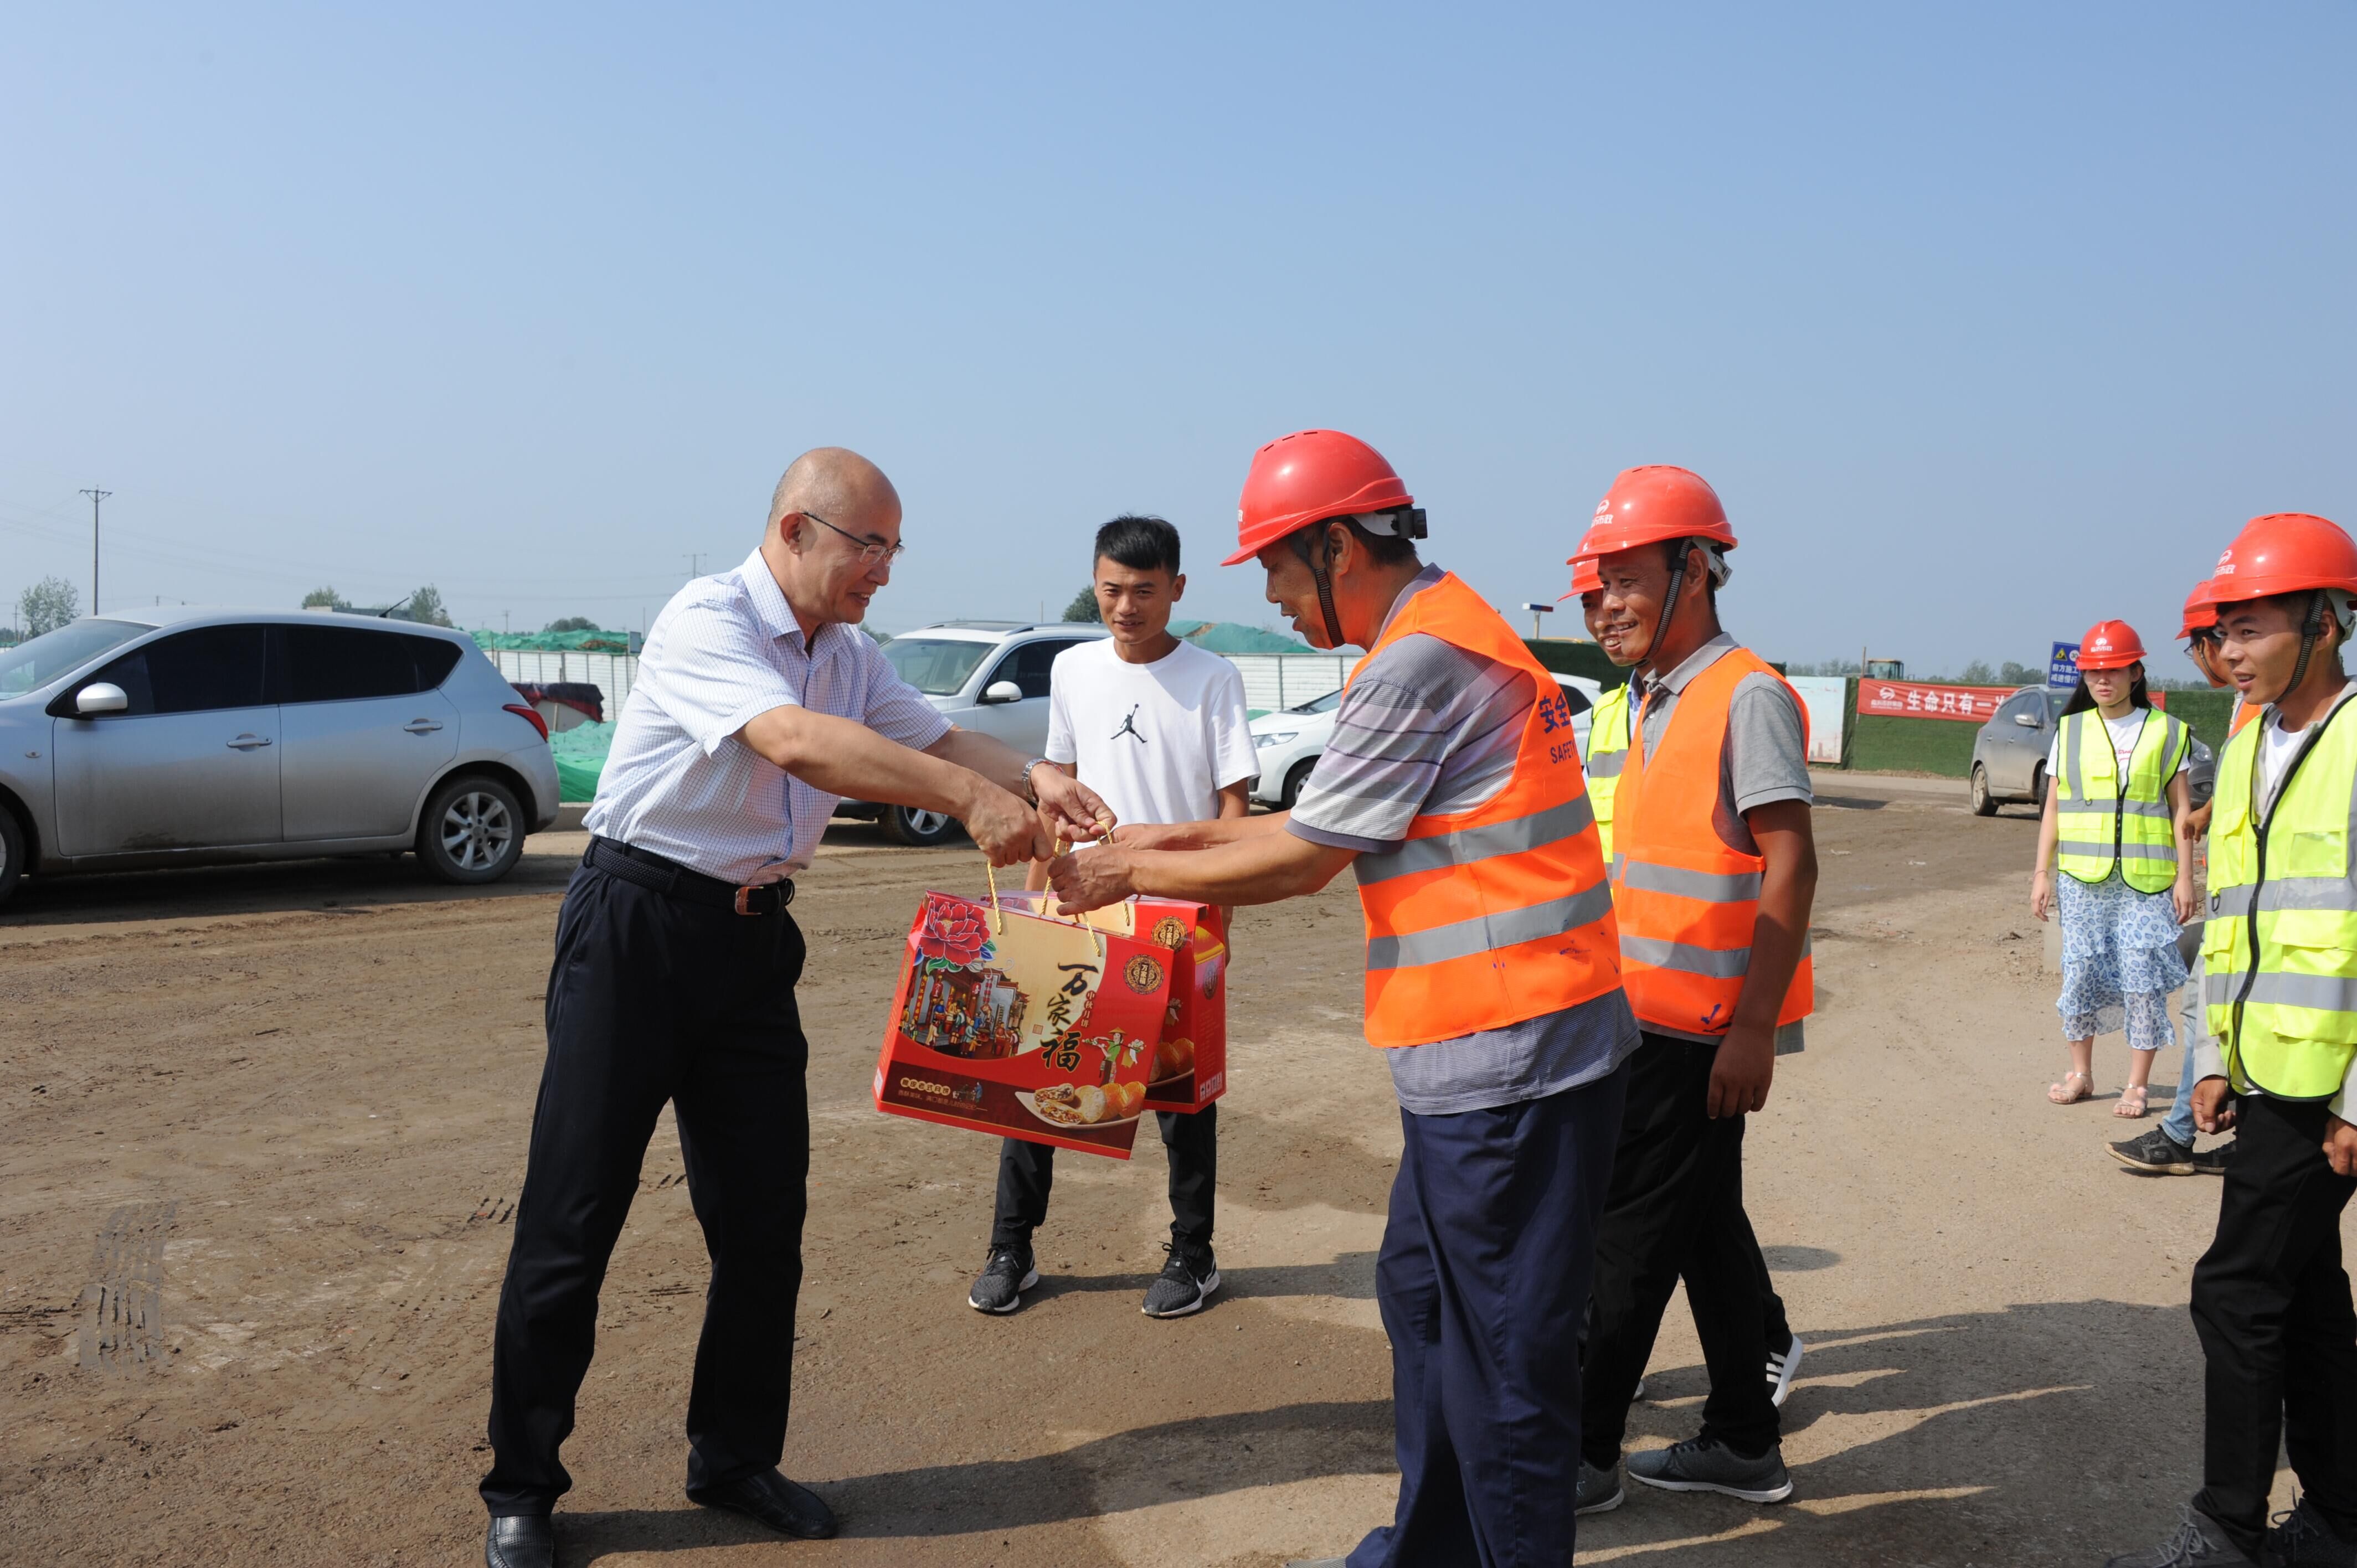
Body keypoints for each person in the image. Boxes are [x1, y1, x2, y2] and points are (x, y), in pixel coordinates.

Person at [476, 448, 1111, 1568]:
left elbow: (929, 732)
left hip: (752, 941)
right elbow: (795, 743)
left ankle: (733, 1458)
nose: (883, 571)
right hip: (637, 926)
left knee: (765, 1222)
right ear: (795, 531)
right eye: (869, 547)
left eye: (893, 551)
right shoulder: (705, 620)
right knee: (573, 1218)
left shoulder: (850, 654)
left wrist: (1029, 780)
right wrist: (968, 800)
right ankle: (522, 1486)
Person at [1047, 429, 1636, 1568]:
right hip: (1480, 1055)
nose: (1269, 594)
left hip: (1510, 1058)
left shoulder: (1417, 662)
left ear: (1333, 545)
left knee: (1504, 1365)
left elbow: (1305, 855)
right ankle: (1430, 1551)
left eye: (1274, 565)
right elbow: (1291, 828)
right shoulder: (1432, 632)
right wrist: (1135, 837)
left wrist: (1126, 870)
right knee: (1420, 1296)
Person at [2108, 513, 2357, 1568]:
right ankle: (2342, 1522)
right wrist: (2209, 1055)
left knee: (2235, 1288)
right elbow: (2236, 912)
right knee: (2303, 1293)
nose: (2230, 652)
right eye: (2226, 631)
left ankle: (2224, 1531)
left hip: (2326, 1082)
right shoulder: (2252, 738)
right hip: (2260, 1068)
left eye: (2250, 628)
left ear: (2325, 620)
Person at [1567, 467, 1818, 1514]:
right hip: (1634, 1013)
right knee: (1704, 1219)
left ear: (1697, 569)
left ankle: (1578, 1459)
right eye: (1593, 590)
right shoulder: (1634, 704)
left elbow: (1791, 860)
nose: (1606, 607)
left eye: (1626, 581)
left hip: (1698, 1023)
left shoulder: (1744, 693)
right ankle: (1743, 1441)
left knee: (1623, 1244)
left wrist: (1754, 1027)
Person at [966, 513, 1258, 1319]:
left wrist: (1219, 927)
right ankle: (1010, 1249)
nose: (1126, 607)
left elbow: (1234, 808)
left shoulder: (1215, 679)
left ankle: (1193, 1255)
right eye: (1110, 591)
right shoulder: (1073, 669)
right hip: (1077, 909)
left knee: (1177, 1093)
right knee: (1037, 1075)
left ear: (1178, 590)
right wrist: (1030, 904)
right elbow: (1056, 786)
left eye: (1143, 591)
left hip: (1176, 919)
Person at [2030, 620, 2197, 1120]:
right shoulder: (2070, 731)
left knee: (2142, 977)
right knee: (2079, 973)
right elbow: (2054, 810)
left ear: (2136, 672)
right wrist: (2041, 873)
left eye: (2114, 670)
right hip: (2082, 879)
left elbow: (2182, 812)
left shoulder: (2168, 732)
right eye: (2094, 672)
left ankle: (2137, 1084)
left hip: (2146, 883)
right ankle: (2081, 1074)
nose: (2103, 680)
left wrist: (2187, 877)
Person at [2109, 585, 2246, 1176]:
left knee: (2201, 1006)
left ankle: (2180, 1134)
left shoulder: (2267, 704)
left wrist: (2192, 824)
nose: (2202, 660)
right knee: (2208, 1007)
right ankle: (2224, 1128)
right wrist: (2200, 820)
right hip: (2234, 890)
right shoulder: (2250, 705)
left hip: (2253, 902)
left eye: (2197, 647)